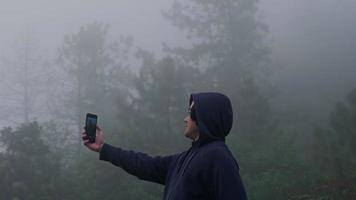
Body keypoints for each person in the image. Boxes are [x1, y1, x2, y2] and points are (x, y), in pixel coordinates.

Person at [82, 92, 248, 200]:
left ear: (205, 116)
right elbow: (144, 164)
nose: (185, 119)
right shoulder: (184, 159)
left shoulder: (218, 156)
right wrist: (103, 148)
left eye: (190, 112)